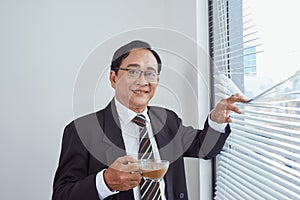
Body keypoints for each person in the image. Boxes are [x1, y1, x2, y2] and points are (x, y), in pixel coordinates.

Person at [52, 40, 248, 200]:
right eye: (133, 72)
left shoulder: (167, 119)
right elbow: (61, 195)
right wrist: (105, 182)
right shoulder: (82, 130)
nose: (143, 81)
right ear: (113, 78)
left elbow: (204, 148)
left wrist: (217, 119)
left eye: (150, 73)